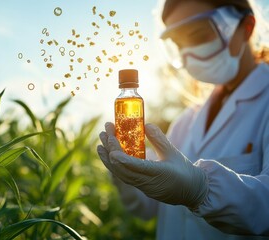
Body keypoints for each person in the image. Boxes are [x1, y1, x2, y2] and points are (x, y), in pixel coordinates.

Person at [97, 0, 269, 239]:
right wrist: (125, 171)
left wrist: (201, 190)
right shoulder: (185, 121)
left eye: (198, 35)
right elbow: (148, 208)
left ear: (246, 27)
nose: (188, 52)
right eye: (179, 44)